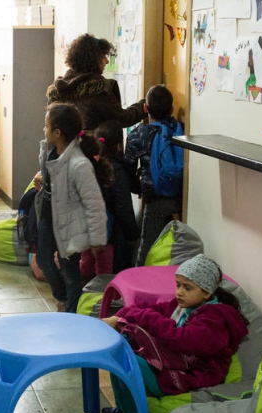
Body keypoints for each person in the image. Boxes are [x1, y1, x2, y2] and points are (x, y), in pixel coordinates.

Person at [99, 254, 248, 413]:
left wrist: (139, 318)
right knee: (122, 347)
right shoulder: (183, 305)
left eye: (187, 287)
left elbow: (180, 340)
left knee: (127, 363)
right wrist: (122, 316)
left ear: (206, 292)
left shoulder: (214, 320)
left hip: (191, 374)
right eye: (178, 285)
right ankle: (126, 410)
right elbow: (148, 309)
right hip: (175, 362)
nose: (179, 292)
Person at [33, 103, 108, 313]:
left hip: (69, 227)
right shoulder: (50, 152)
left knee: (70, 273)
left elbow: (94, 204)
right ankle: (63, 298)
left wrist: (97, 238)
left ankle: (72, 314)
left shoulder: (79, 164)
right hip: (49, 217)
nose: (43, 130)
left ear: (57, 132)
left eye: (46, 126)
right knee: (43, 260)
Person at [125, 85, 182, 266]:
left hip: (154, 199)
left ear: (145, 109)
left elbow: (128, 169)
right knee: (176, 249)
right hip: (180, 198)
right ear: (171, 110)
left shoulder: (138, 135)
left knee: (146, 249)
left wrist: (139, 188)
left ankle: (137, 288)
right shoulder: (178, 130)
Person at [46, 33, 146, 131]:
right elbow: (123, 118)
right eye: (103, 56)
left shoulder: (58, 89)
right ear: (92, 59)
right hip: (92, 146)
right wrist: (145, 105)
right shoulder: (98, 89)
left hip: (66, 147)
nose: (106, 61)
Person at [81, 121, 140, 278]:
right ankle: (102, 295)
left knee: (87, 262)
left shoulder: (90, 164)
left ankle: (83, 291)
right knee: (105, 266)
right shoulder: (116, 169)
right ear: (119, 146)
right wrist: (132, 235)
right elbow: (123, 206)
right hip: (109, 231)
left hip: (87, 226)